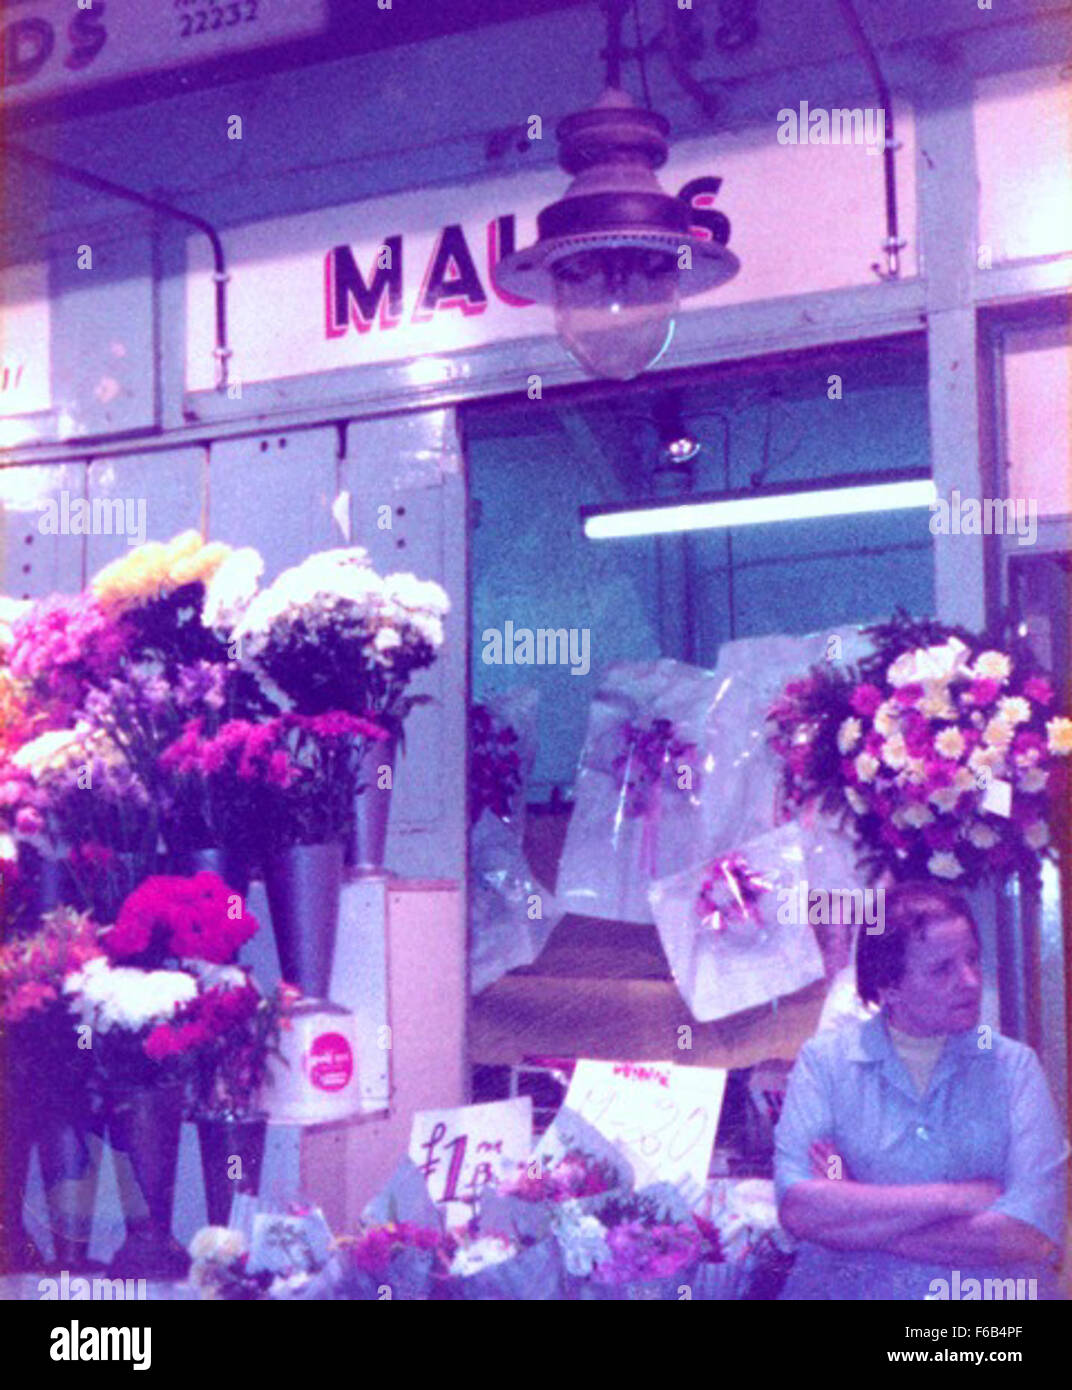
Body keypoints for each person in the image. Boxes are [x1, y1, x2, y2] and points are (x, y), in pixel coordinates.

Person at [774, 881, 1069, 1299]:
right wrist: (954, 1198)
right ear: (888, 986)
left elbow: (1029, 1233)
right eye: (942, 968)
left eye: (972, 959)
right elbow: (801, 1210)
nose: (969, 981)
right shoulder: (825, 1064)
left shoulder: (1014, 1067)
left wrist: (853, 1210)